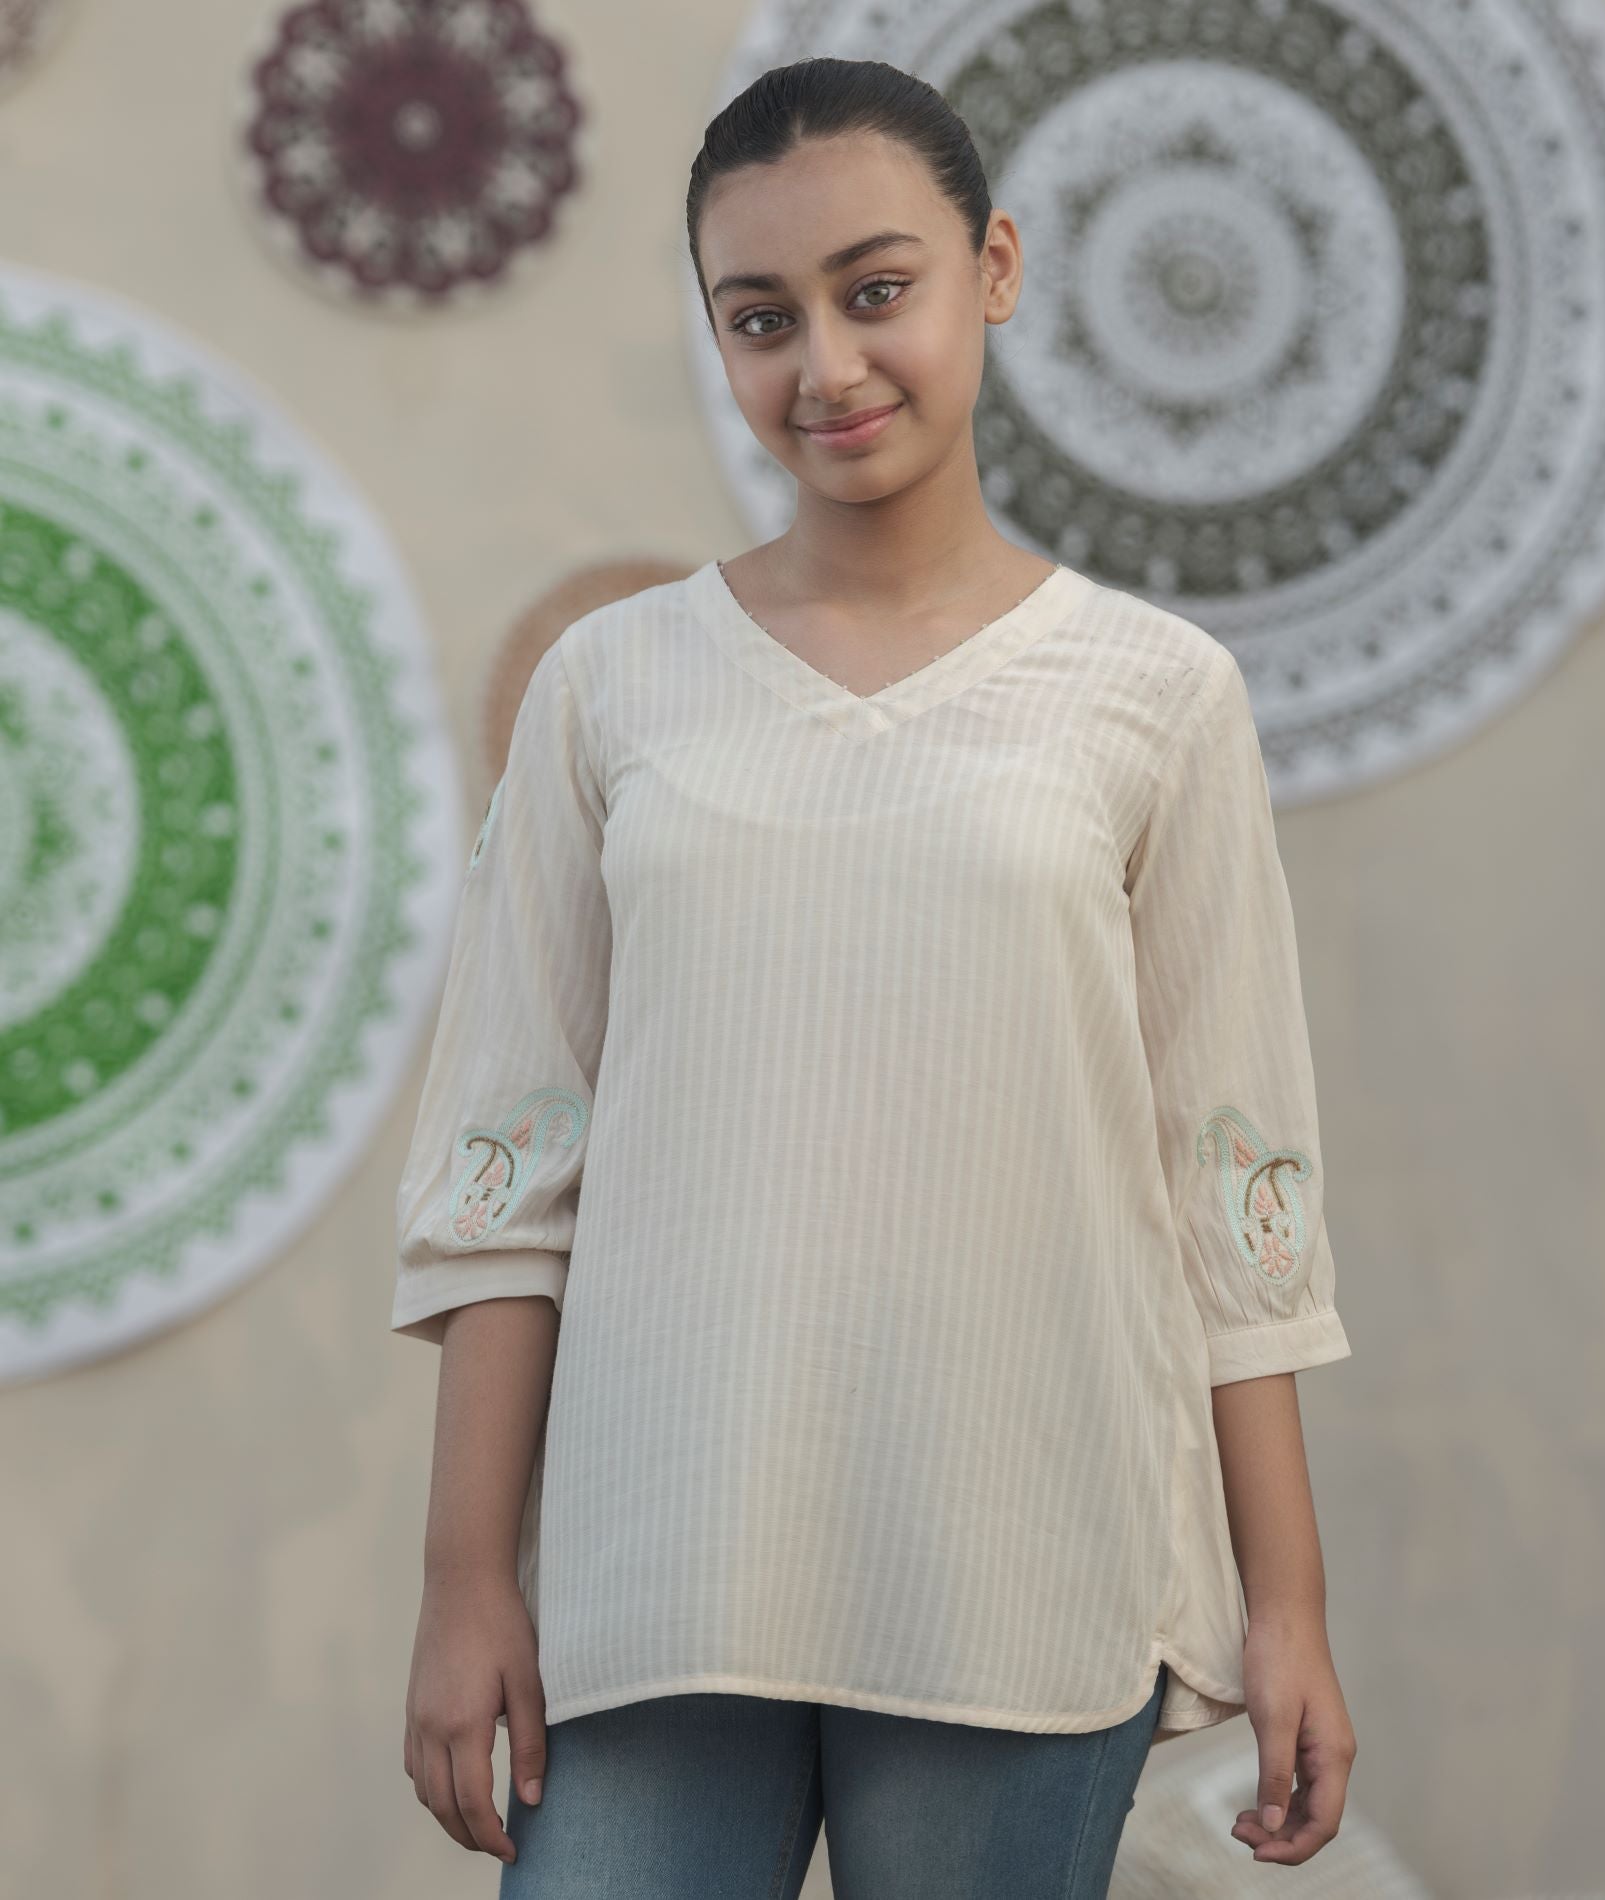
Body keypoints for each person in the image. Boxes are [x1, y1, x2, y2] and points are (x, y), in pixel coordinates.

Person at [393, 53, 1358, 1895]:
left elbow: (1235, 1193)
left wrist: (1287, 1605)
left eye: (876, 289)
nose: (826, 366)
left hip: (1029, 1558)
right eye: (763, 317)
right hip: (659, 1568)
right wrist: (463, 1584)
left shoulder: (1157, 697)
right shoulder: (612, 687)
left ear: (993, 268)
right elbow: (511, 1178)